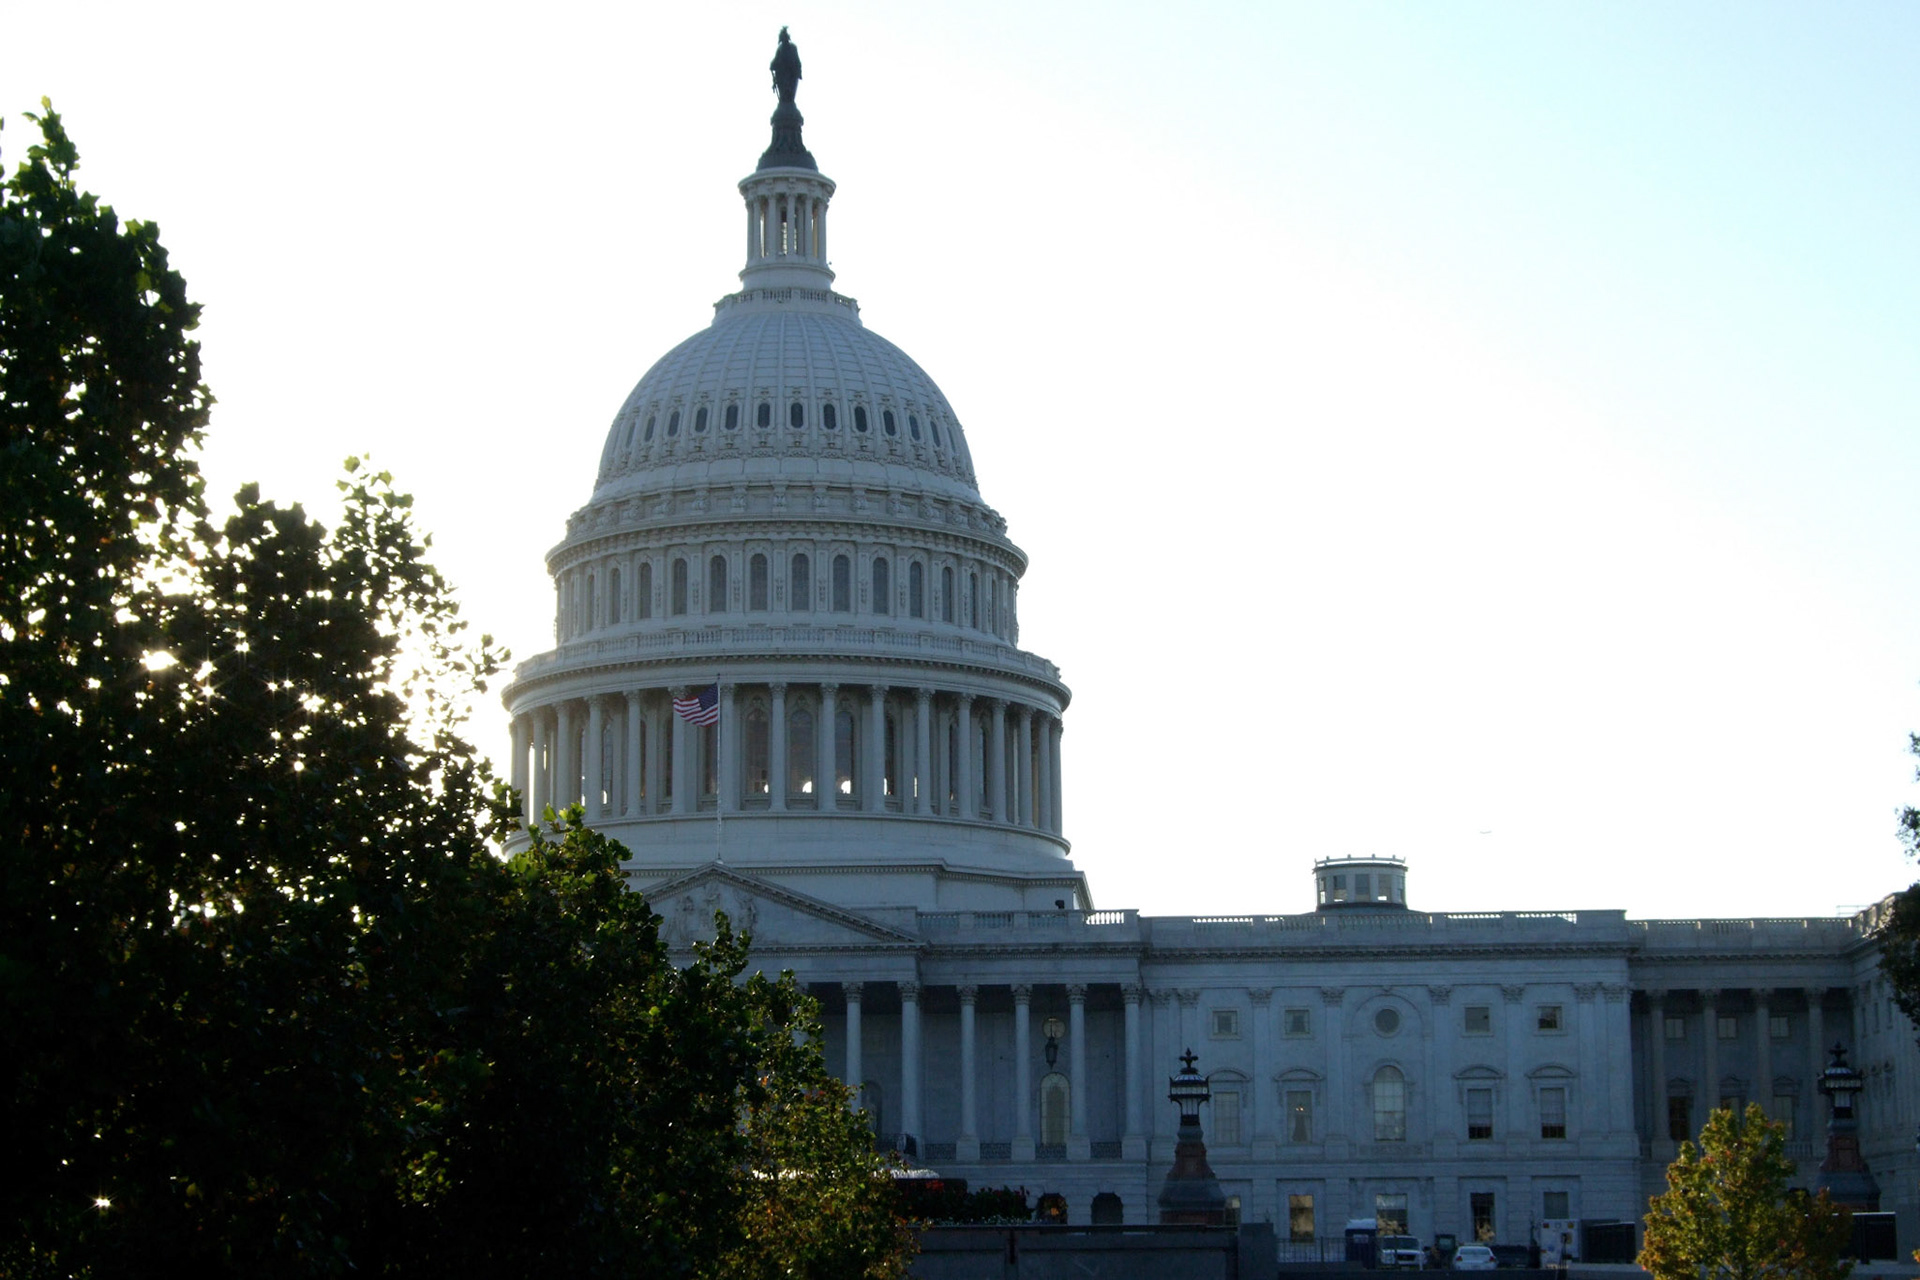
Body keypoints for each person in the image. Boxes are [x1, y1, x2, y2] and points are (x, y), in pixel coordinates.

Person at [771, 27, 802, 104]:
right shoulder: (780, 48)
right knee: (784, 95)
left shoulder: (792, 48)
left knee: (789, 95)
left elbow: (797, 62)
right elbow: (775, 61)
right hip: (782, 76)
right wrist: (773, 65)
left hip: (791, 76)